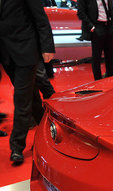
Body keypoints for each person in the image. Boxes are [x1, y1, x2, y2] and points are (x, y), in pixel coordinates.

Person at [0, 0, 55, 165]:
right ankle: (47, 129)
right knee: (31, 97)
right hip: (6, 54)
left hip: (27, 52)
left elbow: (41, 19)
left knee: (21, 99)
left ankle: (16, 146)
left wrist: (47, 47)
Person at [78, 0, 113, 80]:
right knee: (97, 56)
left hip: (109, 26)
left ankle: (112, 78)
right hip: (97, 26)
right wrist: (91, 26)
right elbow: (81, 12)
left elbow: (110, 8)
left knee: (111, 55)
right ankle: (98, 80)